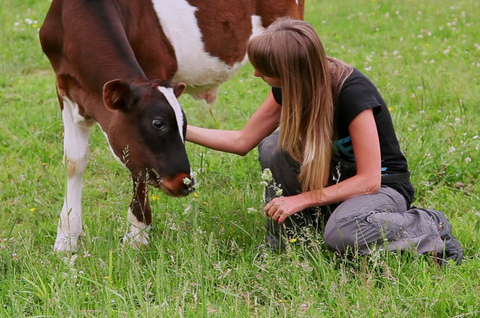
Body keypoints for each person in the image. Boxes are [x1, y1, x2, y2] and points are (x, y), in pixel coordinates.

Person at [186, 18, 462, 264]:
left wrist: (303, 199)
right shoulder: (289, 87)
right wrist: (180, 128)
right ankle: (291, 241)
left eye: (264, 70)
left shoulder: (352, 94)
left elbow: (369, 181)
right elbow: (242, 140)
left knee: (343, 234)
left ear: (290, 74)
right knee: (273, 147)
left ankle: (427, 225)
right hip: (335, 180)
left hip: (382, 189)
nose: (257, 74)